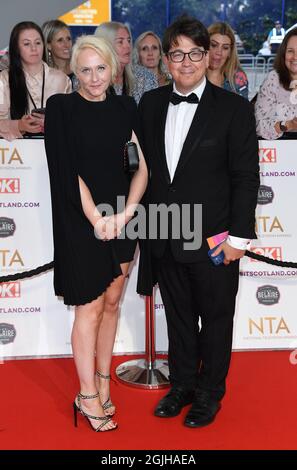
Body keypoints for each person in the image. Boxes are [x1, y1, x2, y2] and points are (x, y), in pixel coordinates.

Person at [137, 15, 259, 428]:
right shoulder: (151, 104)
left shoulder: (233, 109)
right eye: (177, 54)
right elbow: (143, 170)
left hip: (215, 238)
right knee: (179, 315)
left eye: (194, 54)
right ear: (166, 61)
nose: (185, 62)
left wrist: (239, 239)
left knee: (216, 316)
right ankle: (183, 384)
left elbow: (245, 177)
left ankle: (210, 393)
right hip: (166, 231)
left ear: (208, 57)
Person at [44, 35, 147, 432]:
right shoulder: (62, 108)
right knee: (88, 307)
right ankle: (86, 394)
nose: (93, 78)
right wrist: (97, 219)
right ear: (74, 72)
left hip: (122, 217)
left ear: (113, 68)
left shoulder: (125, 107)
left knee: (113, 302)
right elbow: (69, 172)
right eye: (84, 70)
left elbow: (141, 167)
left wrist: (125, 215)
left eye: (100, 68)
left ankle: (103, 380)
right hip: (81, 218)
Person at [0, 21, 71, 142]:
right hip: (18, 152)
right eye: (27, 44)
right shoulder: (4, 79)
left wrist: (51, 122)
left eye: (38, 43)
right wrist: (19, 125)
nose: (34, 48)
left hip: (54, 148)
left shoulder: (61, 79)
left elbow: (71, 120)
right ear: (16, 48)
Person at [94, 21, 158, 103]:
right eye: (120, 42)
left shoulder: (146, 78)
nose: (128, 46)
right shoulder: (89, 79)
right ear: (105, 46)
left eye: (128, 40)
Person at [255, 27, 297, 140]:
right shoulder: (273, 79)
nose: (295, 57)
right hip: (280, 150)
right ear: (283, 54)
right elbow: (258, 125)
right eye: (290, 51)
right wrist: (287, 125)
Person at [207, 22, 248, 99]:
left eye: (225, 48)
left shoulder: (238, 78)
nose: (219, 52)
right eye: (213, 45)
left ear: (230, 52)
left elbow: (244, 110)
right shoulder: (191, 74)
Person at [42, 19, 77, 90]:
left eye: (68, 39)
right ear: (48, 45)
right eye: (60, 40)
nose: (66, 45)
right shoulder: (43, 75)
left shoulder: (79, 69)